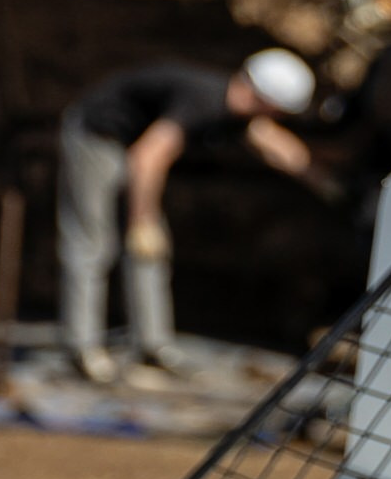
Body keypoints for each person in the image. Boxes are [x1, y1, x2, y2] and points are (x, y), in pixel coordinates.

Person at [59, 48, 317, 384]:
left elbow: (274, 145)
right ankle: (82, 349)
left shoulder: (233, 108)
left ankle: (152, 347)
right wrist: (142, 220)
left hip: (131, 145)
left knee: (151, 251)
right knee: (93, 244)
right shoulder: (204, 102)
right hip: (98, 137)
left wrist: (323, 179)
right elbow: (147, 158)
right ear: (267, 100)